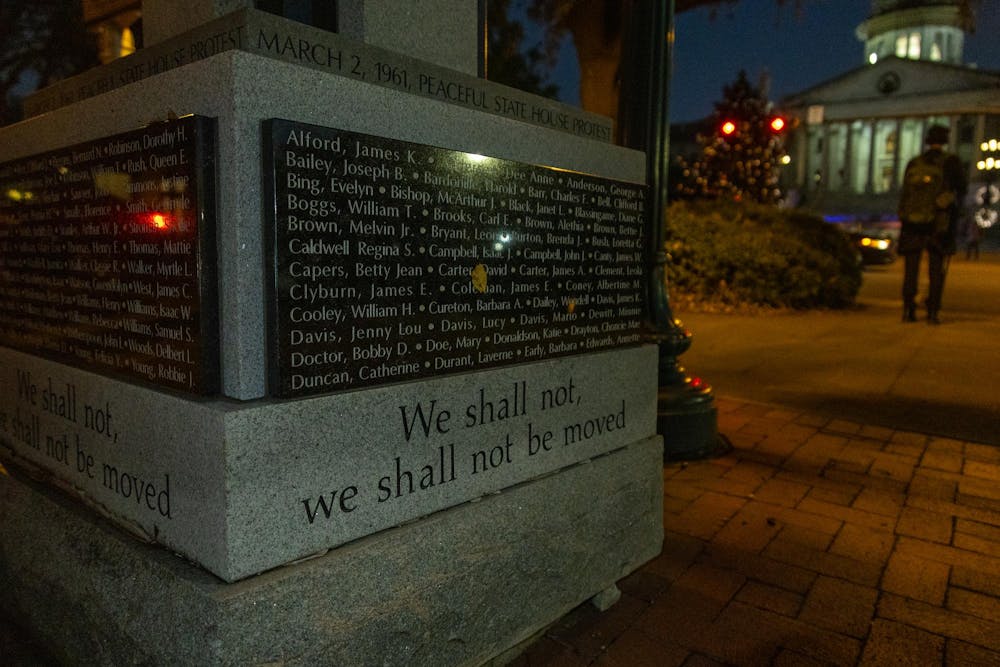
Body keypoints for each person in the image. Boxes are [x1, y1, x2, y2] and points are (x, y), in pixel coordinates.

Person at [897, 125, 967, 324]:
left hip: (912, 224)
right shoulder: (951, 162)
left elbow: (905, 194)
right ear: (945, 141)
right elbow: (961, 190)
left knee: (911, 269)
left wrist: (904, 216)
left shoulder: (914, 163)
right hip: (939, 224)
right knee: (936, 270)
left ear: (927, 141)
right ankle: (932, 312)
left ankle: (908, 309)